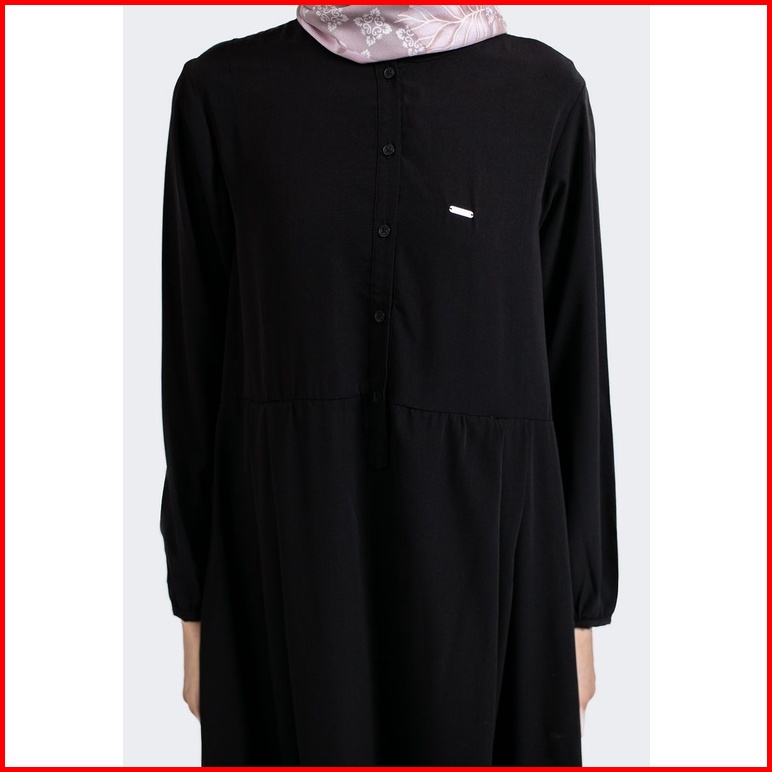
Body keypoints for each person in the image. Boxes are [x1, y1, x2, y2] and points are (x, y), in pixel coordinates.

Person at [159, 5, 619, 766]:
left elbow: (577, 357)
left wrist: (579, 612)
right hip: (289, 554)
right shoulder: (224, 91)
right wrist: (194, 608)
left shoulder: (544, 93)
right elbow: (191, 361)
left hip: (491, 560)